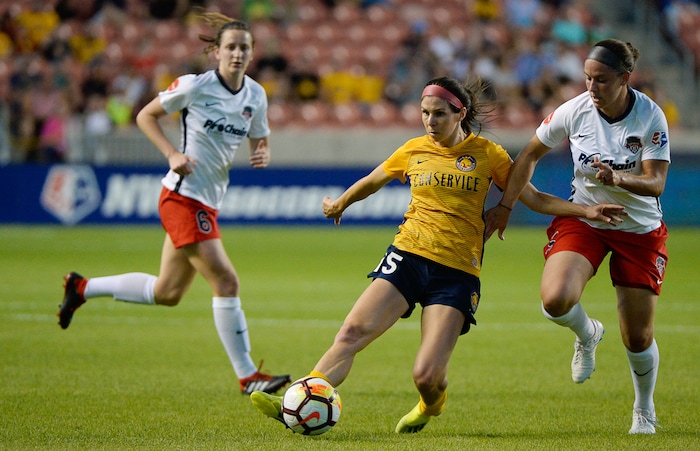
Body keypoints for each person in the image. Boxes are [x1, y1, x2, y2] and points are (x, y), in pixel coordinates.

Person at [250, 76, 626, 433]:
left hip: (457, 273)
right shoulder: (413, 149)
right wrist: (340, 204)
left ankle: (432, 404)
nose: (430, 121)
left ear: (460, 114)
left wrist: (586, 211)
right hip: (408, 256)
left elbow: (534, 197)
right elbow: (373, 180)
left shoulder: (487, 154)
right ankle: (295, 405)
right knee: (350, 332)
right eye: (425, 113)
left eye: (439, 114)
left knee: (426, 376)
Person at [57, 12, 291, 396]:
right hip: (182, 197)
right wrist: (170, 153)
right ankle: (249, 376)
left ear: (252, 54)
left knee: (167, 293)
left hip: (208, 200)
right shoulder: (194, 87)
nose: (236, 54)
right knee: (226, 281)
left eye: (243, 48)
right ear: (216, 52)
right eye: (230, 47)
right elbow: (145, 115)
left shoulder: (255, 95)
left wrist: (261, 152)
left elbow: (258, 137)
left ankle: (81, 287)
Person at [485, 39, 670, 435]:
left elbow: (656, 183)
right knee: (554, 300)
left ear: (624, 78)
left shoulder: (650, 117)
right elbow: (529, 156)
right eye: (587, 78)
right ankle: (588, 333)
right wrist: (505, 207)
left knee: (637, 337)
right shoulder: (575, 111)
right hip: (585, 218)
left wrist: (618, 177)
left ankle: (644, 408)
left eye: (601, 80)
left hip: (638, 228)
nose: (591, 87)